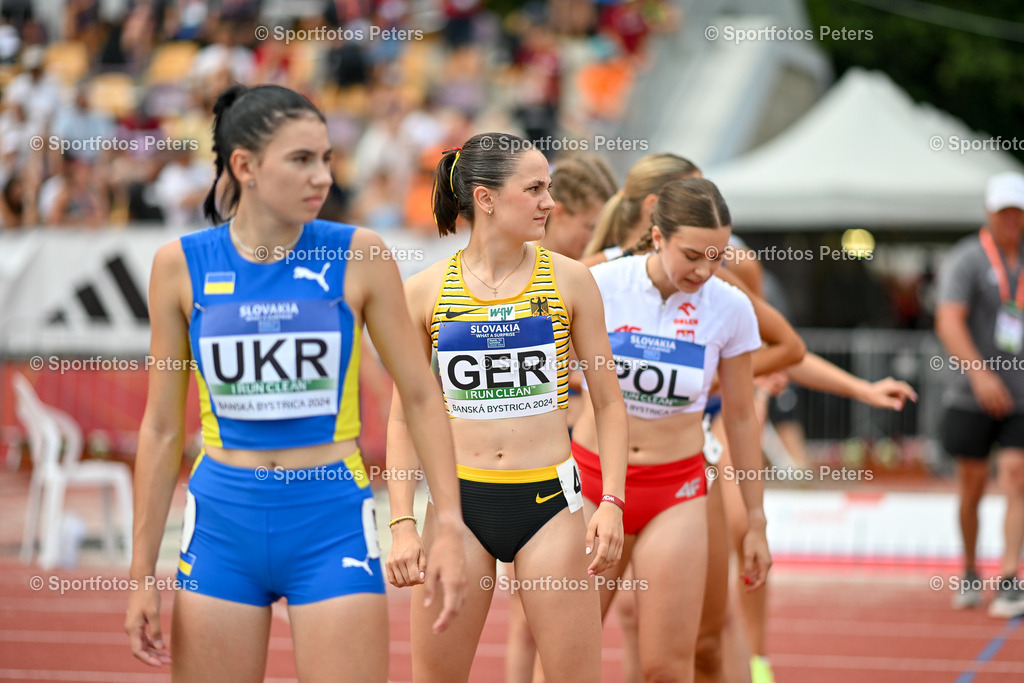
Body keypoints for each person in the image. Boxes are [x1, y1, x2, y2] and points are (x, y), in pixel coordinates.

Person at [124, 84, 467, 681]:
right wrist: (139, 577)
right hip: (223, 522)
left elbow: (420, 394)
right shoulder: (181, 265)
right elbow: (158, 427)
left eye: (327, 158)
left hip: (330, 516)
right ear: (245, 166)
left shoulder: (360, 255)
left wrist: (449, 527)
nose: (323, 177)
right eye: (302, 159)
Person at [385, 132, 628, 683]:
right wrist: (401, 521)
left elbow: (610, 403)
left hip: (549, 504)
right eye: (535, 189)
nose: (550, 202)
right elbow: (404, 416)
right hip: (458, 507)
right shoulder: (423, 292)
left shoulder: (571, 280)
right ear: (486, 198)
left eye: (551, 188)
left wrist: (611, 500)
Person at [573, 177, 772, 681]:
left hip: (676, 488)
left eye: (718, 255)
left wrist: (755, 520)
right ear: (657, 234)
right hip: (593, 484)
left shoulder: (729, 306)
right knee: (565, 660)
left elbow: (742, 417)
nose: (705, 270)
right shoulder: (599, 283)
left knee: (666, 667)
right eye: (692, 255)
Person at [506, 152, 619, 683]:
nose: (595, 237)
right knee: (526, 620)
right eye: (590, 225)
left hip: (567, 462)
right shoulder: (516, 273)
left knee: (562, 611)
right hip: (519, 467)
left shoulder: (583, 278)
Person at [936, 171, 1024, 618]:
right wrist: (980, 375)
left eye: (1018, 211)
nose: (1011, 219)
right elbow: (949, 320)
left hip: (1020, 399)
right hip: (970, 395)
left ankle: (1010, 577)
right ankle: (970, 568)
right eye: (1004, 211)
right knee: (971, 488)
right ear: (990, 212)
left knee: (1016, 476)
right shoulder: (967, 259)